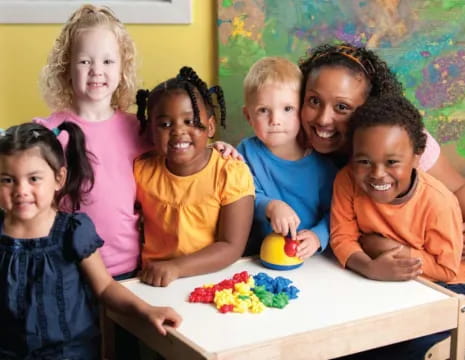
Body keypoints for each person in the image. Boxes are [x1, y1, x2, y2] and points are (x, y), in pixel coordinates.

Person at [0, 122, 182, 360]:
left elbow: (105, 287)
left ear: (59, 178)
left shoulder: (72, 231)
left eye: (34, 178)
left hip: (71, 353)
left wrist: (147, 311)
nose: (21, 190)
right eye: (7, 180)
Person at [298, 42, 465, 260]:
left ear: (369, 108)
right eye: (314, 101)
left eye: (342, 107)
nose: (323, 119)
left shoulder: (400, 142)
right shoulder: (287, 133)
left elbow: (459, 190)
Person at [330, 94, 465, 359]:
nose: (377, 174)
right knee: (351, 339)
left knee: (404, 346)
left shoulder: (439, 202)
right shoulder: (346, 182)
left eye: (392, 162)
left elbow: (447, 268)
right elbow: (342, 237)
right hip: (376, 276)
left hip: (442, 288)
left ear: (417, 157)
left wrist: (392, 250)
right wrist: (371, 267)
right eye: (364, 161)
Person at [33, 4, 146, 280]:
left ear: (122, 69)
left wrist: (217, 149)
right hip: (69, 268)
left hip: (127, 267)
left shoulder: (138, 129)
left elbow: (181, 152)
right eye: (85, 61)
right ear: (66, 69)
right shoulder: (49, 132)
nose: (96, 71)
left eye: (107, 61)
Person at [135, 66, 254, 287]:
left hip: (211, 279)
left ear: (210, 127)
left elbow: (231, 246)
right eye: (165, 124)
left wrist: (176, 267)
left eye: (190, 121)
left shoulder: (230, 172)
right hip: (151, 282)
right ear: (151, 130)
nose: (178, 131)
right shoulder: (142, 170)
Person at [237, 57, 337, 257]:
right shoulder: (245, 152)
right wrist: (270, 206)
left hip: (312, 259)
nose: (276, 121)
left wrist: (318, 236)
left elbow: (336, 212)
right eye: (263, 110)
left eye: (287, 109)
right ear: (248, 116)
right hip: (260, 258)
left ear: (302, 111)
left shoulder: (321, 162)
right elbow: (241, 196)